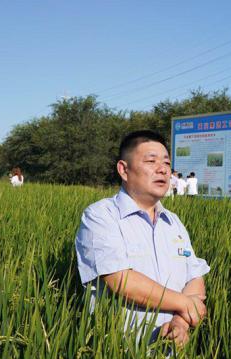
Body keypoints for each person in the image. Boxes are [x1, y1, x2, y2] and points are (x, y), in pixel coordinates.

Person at [75, 130, 209, 345]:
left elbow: (194, 276)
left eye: (166, 162)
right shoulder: (101, 215)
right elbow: (121, 280)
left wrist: (181, 322)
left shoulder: (173, 222)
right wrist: (184, 303)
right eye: (151, 161)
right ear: (124, 170)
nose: (162, 169)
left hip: (172, 356)